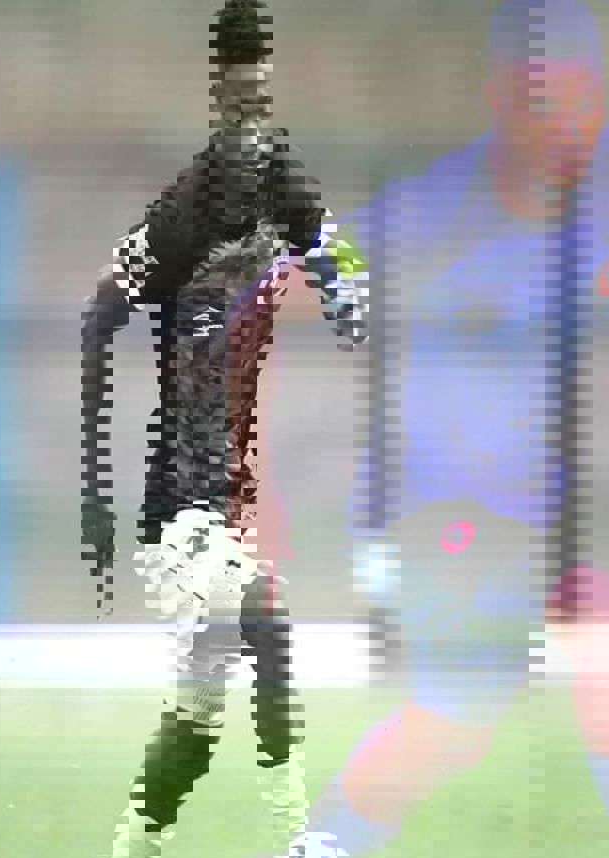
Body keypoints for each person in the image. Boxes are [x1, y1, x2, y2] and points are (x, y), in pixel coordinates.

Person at [279, 2, 609, 856]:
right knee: (463, 710)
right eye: (536, 96)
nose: (559, 117)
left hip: (548, 503)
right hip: (443, 500)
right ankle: (324, 845)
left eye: (578, 95)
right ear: (499, 98)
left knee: (600, 637)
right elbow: (298, 285)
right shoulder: (429, 209)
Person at [80, 3, 367, 856]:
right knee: (267, 624)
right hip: (177, 504)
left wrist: (346, 289)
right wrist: (93, 485)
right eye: (238, 97)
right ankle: (297, 837)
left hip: (227, 501)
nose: (251, 117)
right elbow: (97, 318)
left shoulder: (286, 185)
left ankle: (134, 844)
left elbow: (343, 269)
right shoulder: (181, 214)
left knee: (198, 720)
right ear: (218, 96)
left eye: (260, 97)